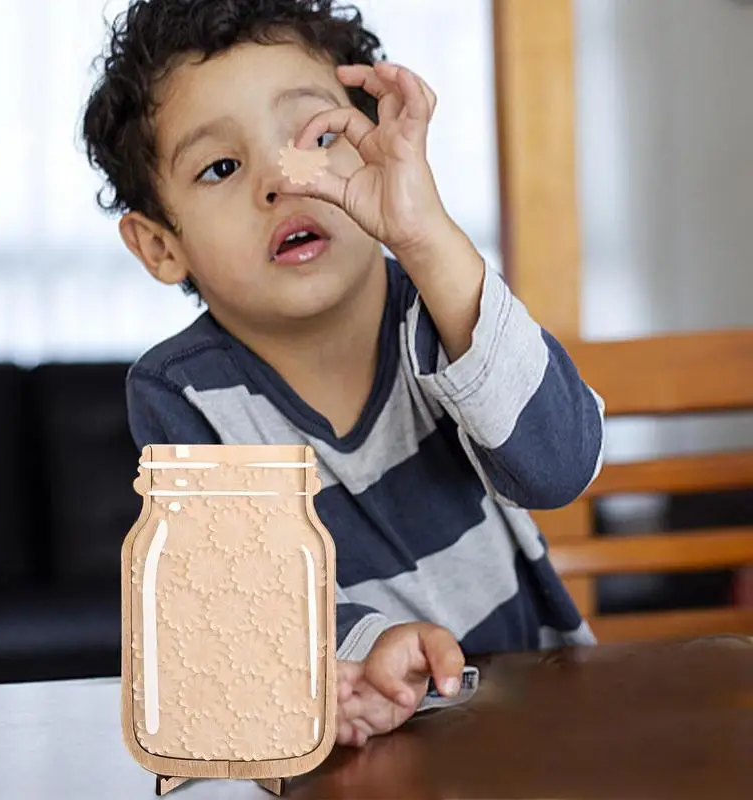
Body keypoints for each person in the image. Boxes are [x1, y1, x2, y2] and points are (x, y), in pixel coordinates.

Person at [82, 0, 605, 748]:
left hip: (535, 723)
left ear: (373, 151)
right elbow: (246, 605)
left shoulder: (444, 309)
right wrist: (365, 649)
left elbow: (560, 466)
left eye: (320, 137)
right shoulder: (181, 395)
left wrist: (427, 236)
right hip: (351, 754)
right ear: (161, 246)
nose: (281, 181)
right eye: (222, 167)